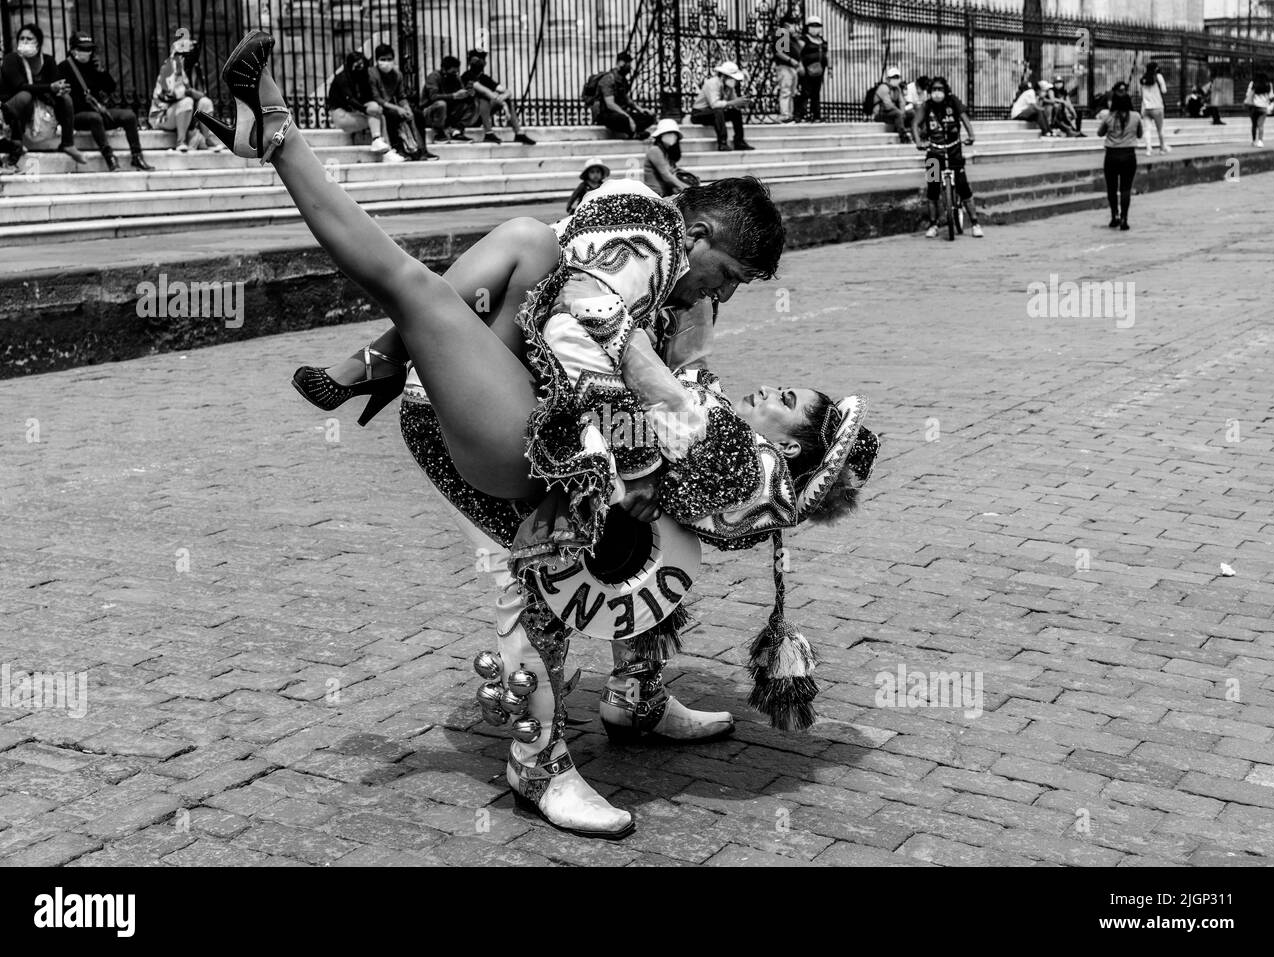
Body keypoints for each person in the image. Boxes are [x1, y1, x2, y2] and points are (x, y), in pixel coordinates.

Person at [204, 30, 878, 838]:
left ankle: (635, 697)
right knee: (425, 301)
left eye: (788, 398)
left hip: (532, 413)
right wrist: (637, 415)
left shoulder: (689, 324)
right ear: (700, 238)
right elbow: (577, 324)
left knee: (527, 262)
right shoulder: (652, 257)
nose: (721, 296)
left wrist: (666, 401)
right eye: (726, 275)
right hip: (514, 426)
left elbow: (681, 500)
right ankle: (277, 133)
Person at [58, 31, 154, 172]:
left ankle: (137, 156)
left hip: (98, 112)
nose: (87, 52)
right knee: (94, 118)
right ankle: (109, 156)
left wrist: (101, 71)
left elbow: (110, 88)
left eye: (89, 49)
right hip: (78, 116)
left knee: (129, 116)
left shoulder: (92, 66)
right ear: (73, 50)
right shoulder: (64, 67)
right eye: (83, 49)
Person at [0, 22, 85, 164]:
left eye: (29, 39)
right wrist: (49, 87)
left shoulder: (48, 60)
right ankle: (16, 143)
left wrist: (59, 89)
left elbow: (55, 84)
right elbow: (21, 86)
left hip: (41, 109)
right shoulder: (11, 59)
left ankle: (68, 143)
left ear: (38, 42)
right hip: (13, 110)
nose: (24, 42)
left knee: (65, 98)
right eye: (22, 38)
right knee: (25, 95)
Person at [912, 75, 983, 238]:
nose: (937, 93)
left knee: (963, 186)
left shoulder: (953, 102)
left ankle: (974, 222)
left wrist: (971, 136)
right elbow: (915, 124)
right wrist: (918, 141)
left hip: (953, 149)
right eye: (934, 90)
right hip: (933, 151)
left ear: (945, 91)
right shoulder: (926, 106)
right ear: (930, 92)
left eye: (940, 89)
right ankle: (933, 224)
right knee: (932, 188)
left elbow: (965, 119)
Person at [149, 27, 221, 152]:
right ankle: (180, 142)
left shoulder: (194, 70)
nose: (189, 58)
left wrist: (194, 94)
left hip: (182, 114)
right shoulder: (169, 67)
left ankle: (207, 138)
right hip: (162, 116)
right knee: (186, 101)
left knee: (205, 102)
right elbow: (169, 95)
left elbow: (201, 94)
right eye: (186, 55)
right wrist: (190, 93)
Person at [369, 43, 436, 161]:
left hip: (392, 104)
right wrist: (397, 109)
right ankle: (399, 149)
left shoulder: (397, 75)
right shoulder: (372, 74)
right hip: (379, 106)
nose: (386, 62)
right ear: (377, 60)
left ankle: (422, 149)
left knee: (417, 114)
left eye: (389, 59)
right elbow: (376, 98)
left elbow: (401, 96)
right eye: (383, 59)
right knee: (393, 116)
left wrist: (406, 108)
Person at [461, 48, 535, 145]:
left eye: (482, 59)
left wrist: (504, 97)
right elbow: (484, 91)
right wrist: (502, 103)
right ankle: (488, 133)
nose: (480, 62)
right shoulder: (467, 76)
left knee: (506, 99)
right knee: (484, 99)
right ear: (471, 61)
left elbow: (507, 91)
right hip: (469, 116)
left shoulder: (485, 78)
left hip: (481, 116)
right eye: (477, 59)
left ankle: (518, 133)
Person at [327, 50, 388, 154]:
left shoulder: (361, 77)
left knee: (375, 108)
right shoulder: (342, 78)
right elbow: (349, 99)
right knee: (377, 116)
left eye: (362, 63)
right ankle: (380, 143)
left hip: (353, 112)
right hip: (341, 114)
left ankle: (379, 141)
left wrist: (372, 108)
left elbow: (367, 98)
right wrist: (365, 110)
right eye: (358, 64)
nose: (361, 66)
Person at [1097, 91, 1141, 231]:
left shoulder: (1108, 117)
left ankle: (1114, 215)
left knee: (1112, 187)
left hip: (1111, 155)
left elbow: (1100, 133)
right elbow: (1140, 134)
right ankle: (1124, 218)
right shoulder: (1136, 116)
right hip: (1129, 155)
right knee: (1126, 188)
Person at [690, 61, 753, 152]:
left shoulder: (729, 87)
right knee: (718, 111)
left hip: (715, 114)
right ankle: (722, 143)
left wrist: (743, 103)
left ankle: (739, 141)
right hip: (699, 114)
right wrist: (733, 102)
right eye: (732, 78)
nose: (734, 81)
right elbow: (714, 104)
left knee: (735, 113)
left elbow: (733, 103)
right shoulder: (712, 83)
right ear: (724, 76)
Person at [592, 50, 655, 139]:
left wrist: (640, 109)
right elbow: (610, 104)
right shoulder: (608, 79)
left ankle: (635, 131)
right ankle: (634, 134)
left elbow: (625, 98)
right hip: (605, 114)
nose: (629, 67)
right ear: (621, 63)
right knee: (624, 119)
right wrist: (628, 116)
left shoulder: (622, 80)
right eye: (628, 64)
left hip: (619, 112)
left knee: (649, 117)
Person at [421, 56, 475, 142]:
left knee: (470, 104)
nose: (455, 74)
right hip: (430, 113)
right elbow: (433, 97)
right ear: (444, 69)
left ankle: (456, 131)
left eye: (456, 72)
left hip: (448, 113)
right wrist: (454, 95)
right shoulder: (434, 77)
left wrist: (468, 94)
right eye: (453, 72)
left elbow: (461, 94)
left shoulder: (456, 78)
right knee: (441, 104)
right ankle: (438, 133)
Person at [643, 117, 697, 196]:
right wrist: (686, 189)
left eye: (674, 134)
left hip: (665, 191)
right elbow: (666, 175)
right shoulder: (655, 150)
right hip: (656, 194)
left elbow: (672, 171)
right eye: (668, 133)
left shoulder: (666, 151)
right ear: (661, 135)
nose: (672, 136)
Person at [0, 80, 26, 171]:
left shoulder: (1, 107)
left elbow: (13, 118)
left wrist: (4, 107)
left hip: (1, 139)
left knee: (17, 145)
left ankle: (10, 164)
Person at [794, 15, 828, 122]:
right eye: (813, 26)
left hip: (818, 71)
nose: (815, 28)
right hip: (806, 71)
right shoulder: (804, 39)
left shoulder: (821, 40)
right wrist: (800, 65)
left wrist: (829, 67)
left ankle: (816, 115)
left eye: (818, 26)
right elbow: (797, 53)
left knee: (816, 93)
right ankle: (800, 114)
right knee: (805, 93)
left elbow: (827, 54)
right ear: (808, 27)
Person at [772, 13, 803, 123]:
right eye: (793, 24)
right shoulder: (782, 33)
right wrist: (791, 60)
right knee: (786, 91)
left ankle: (789, 114)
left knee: (792, 92)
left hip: (792, 67)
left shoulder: (791, 37)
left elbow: (801, 47)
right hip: (785, 66)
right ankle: (785, 115)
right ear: (787, 25)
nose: (795, 27)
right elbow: (779, 52)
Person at [872, 68, 911, 143]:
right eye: (893, 78)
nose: (895, 80)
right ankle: (903, 135)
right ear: (888, 79)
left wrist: (902, 112)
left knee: (911, 113)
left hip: (892, 113)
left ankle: (915, 132)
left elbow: (902, 102)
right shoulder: (883, 88)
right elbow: (888, 105)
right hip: (880, 114)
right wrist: (900, 112)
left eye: (897, 78)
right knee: (898, 114)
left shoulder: (897, 89)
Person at [1138, 61, 1168, 155]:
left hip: (1146, 108)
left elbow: (1140, 93)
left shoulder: (1143, 79)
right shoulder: (1158, 77)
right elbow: (1164, 91)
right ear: (1155, 68)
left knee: (1147, 129)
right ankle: (1162, 148)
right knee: (1160, 129)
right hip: (1157, 107)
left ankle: (1148, 149)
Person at [1245, 72, 1274, 148]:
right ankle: (1260, 141)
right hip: (1263, 108)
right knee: (1261, 125)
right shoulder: (1269, 84)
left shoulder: (1253, 83)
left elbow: (1248, 94)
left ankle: (1253, 141)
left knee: (1254, 125)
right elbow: (1271, 96)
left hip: (1253, 107)